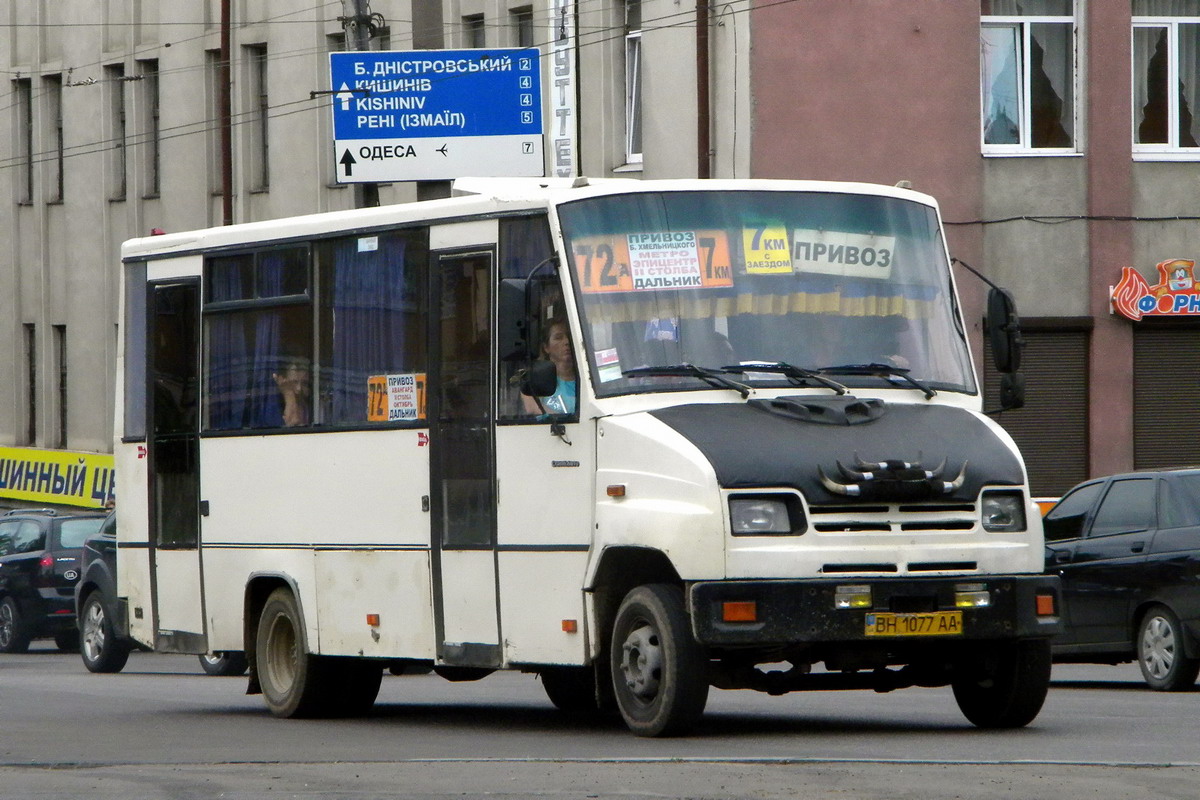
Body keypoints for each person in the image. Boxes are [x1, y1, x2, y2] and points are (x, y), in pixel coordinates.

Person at [522, 319, 576, 416]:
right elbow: (532, 408)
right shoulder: (534, 380)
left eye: (570, 337)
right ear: (546, 347)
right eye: (558, 338)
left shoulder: (587, 380)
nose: (567, 342)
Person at [272, 356, 311, 427]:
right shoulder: (274, 406)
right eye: (294, 382)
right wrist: (288, 394)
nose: (299, 388)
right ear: (284, 380)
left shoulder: (314, 408)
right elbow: (293, 422)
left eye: (304, 383)